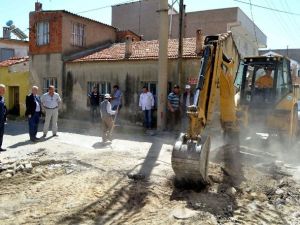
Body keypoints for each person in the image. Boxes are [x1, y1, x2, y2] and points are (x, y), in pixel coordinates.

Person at [0, 84, 7, 152]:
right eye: (3, 89)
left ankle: (0, 147)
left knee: (1, 134)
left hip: (2, 120)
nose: (5, 91)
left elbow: (4, 108)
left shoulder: (2, 97)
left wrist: (5, 117)